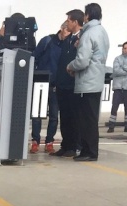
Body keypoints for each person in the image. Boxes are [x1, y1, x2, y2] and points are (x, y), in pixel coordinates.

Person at [67, 3, 109, 162]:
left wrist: (70, 66)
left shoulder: (89, 34)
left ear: (87, 16)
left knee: (86, 120)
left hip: (87, 82)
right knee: (91, 119)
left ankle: (89, 152)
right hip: (96, 80)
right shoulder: (102, 32)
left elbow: (83, 61)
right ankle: (89, 150)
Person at [30, 21, 69, 154]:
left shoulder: (67, 45)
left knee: (54, 116)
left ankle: (49, 141)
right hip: (41, 82)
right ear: (62, 28)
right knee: (37, 115)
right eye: (67, 30)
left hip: (56, 85)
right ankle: (35, 141)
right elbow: (34, 57)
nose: (68, 34)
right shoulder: (47, 41)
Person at [50, 9, 83, 158]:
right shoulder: (67, 40)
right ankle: (65, 145)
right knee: (64, 117)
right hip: (62, 83)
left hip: (73, 84)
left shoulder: (82, 39)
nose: (67, 23)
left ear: (75, 22)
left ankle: (74, 146)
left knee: (73, 117)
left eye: (69, 21)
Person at [108, 42, 127, 133]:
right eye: (124, 48)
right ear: (122, 49)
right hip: (118, 87)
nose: (126, 50)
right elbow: (116, 71)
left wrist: (123, 66)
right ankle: (111, 126)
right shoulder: (117, 59)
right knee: (114, 107)